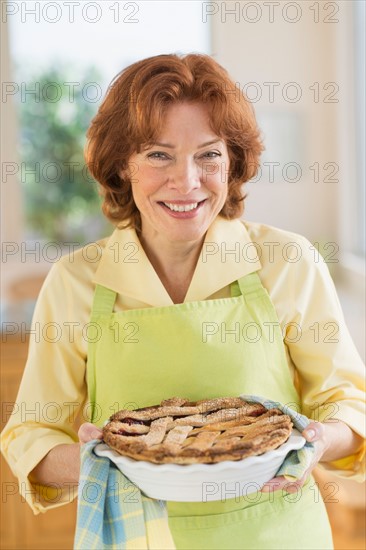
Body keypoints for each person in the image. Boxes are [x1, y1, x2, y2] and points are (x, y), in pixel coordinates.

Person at [1, 53, 365, 550]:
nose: (187, 181)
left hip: (277, 537)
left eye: (208, 154)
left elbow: (349, 404)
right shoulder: (75, 282)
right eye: (158, 154)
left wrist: (318, 438)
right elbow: (31, 434)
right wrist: (102, 458)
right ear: (121, 165)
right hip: (137, 537)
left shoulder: (287, 262)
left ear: (233, 160)